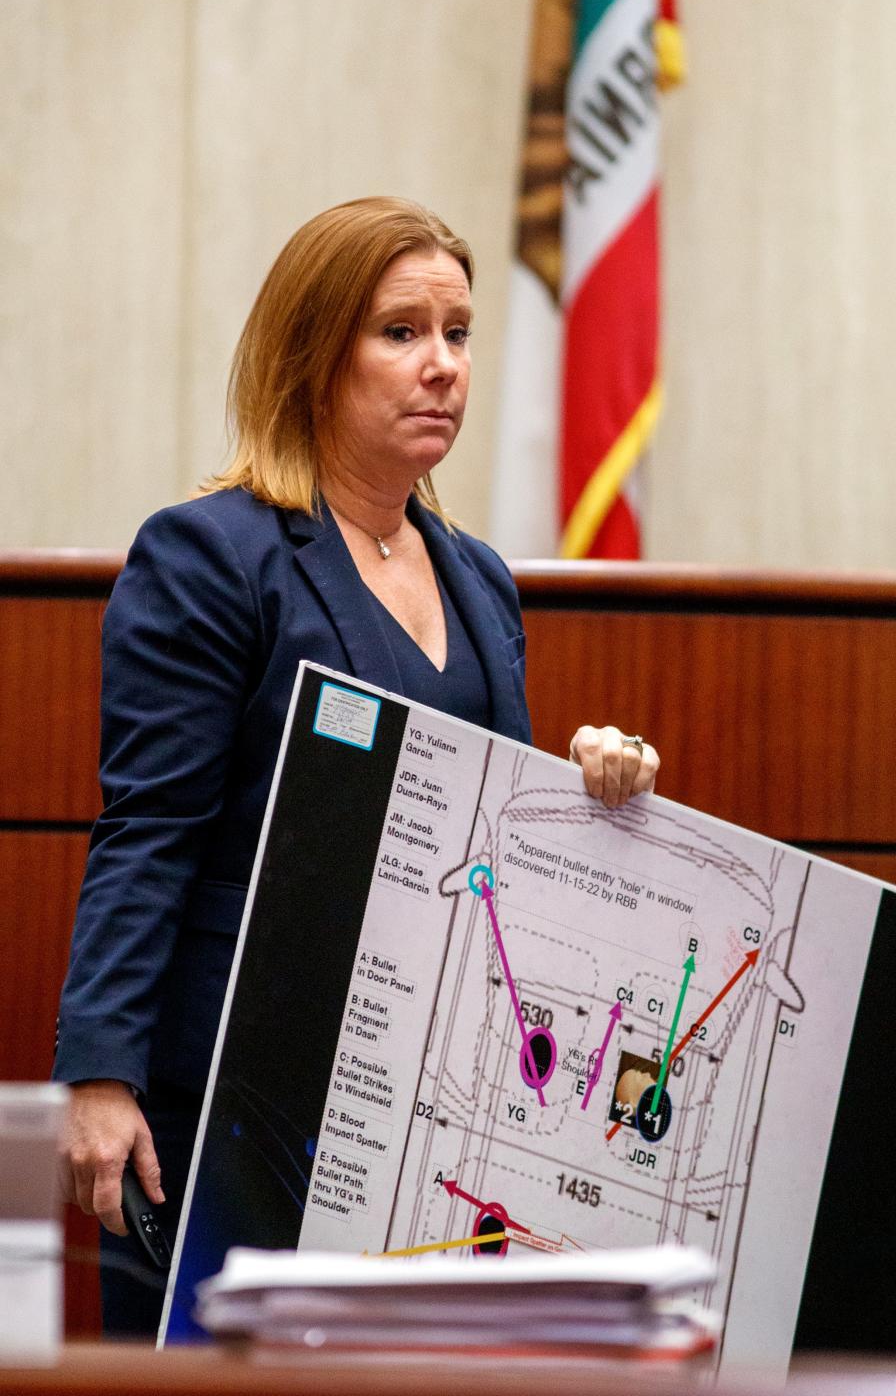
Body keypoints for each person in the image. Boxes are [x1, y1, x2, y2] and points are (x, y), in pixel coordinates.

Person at [53, 196, 660, 1334]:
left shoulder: (479, 578)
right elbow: (149, 830)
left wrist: (586, 789)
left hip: (420, 1102)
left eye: (460, 334)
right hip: (230, 1104)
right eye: (401, 332)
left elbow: (483, 845)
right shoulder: (213, 555)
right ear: (312, 355)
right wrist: (99, 1074)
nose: (442, 367)